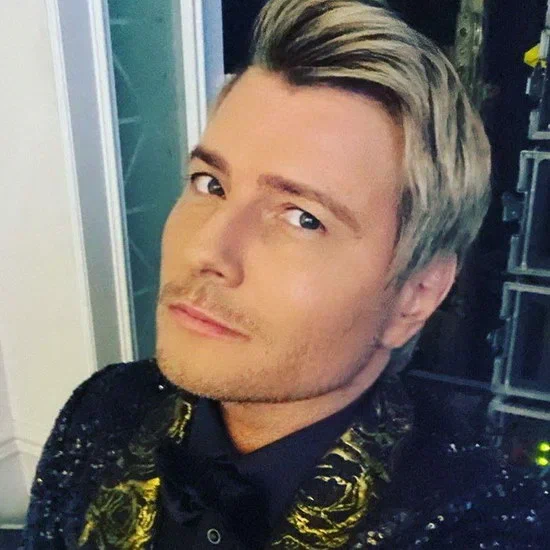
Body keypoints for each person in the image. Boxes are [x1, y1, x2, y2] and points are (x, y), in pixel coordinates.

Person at [24, 0, 549, 548]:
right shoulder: (105, 408)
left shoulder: (493, 527)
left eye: (303, 218)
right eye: (210, 184)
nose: (205, 250)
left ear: (415, 296)